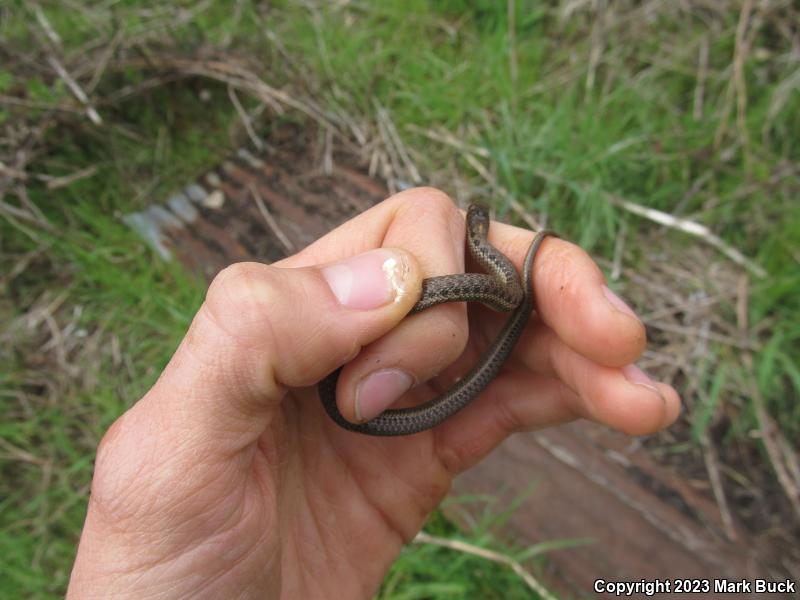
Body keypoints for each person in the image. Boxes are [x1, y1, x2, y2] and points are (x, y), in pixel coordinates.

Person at [67, 188, 680, 598]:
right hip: (341, 419)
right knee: (457, 307)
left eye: (476, 227)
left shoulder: (489, 278)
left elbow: (496, 287)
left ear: (476, 231)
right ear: (480, 231)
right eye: (478, 228)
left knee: (478, 306)